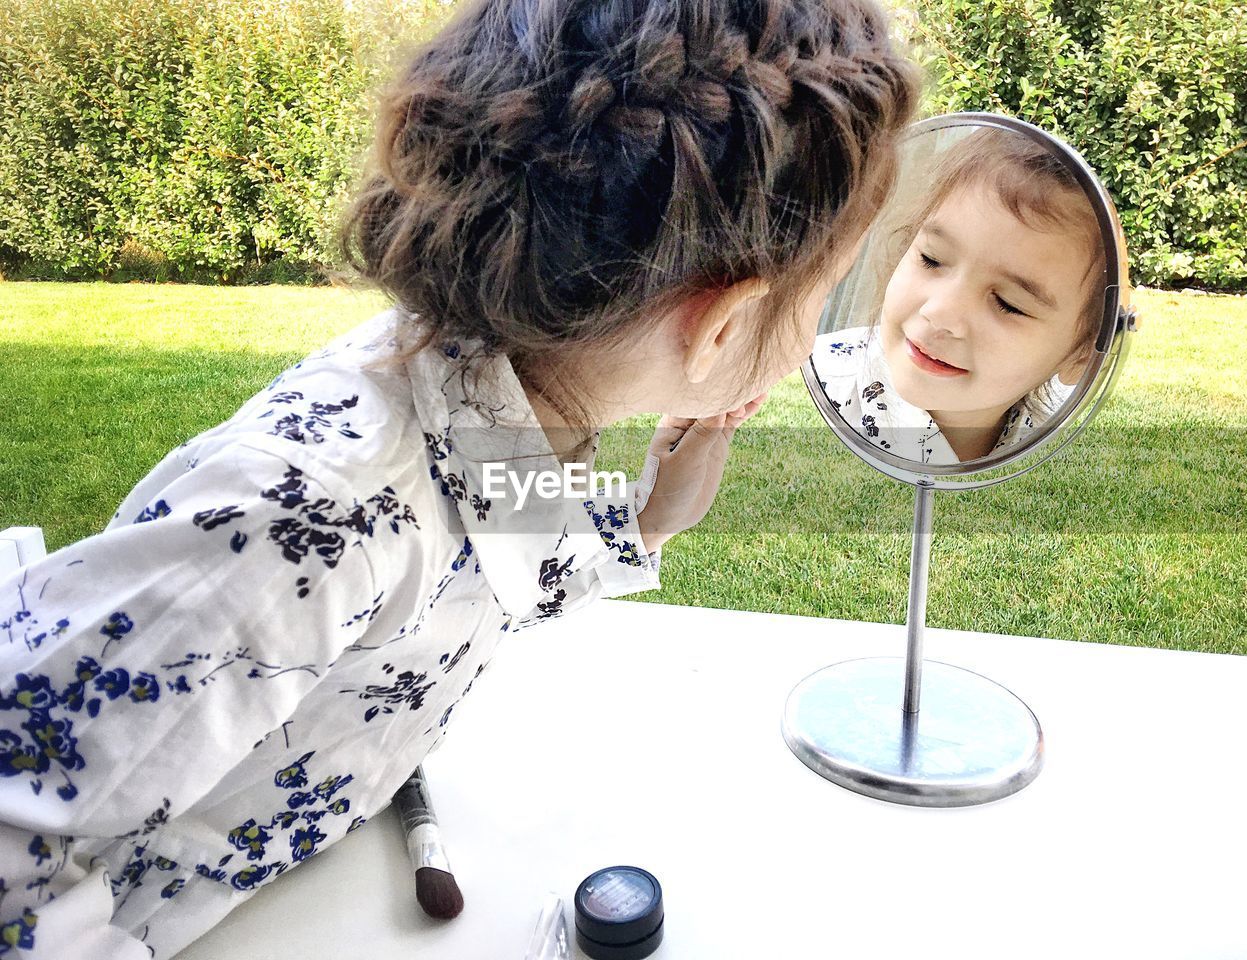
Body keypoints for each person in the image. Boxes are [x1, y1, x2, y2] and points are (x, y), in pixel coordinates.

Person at [0, 0, 918, 956]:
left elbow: (492, 552)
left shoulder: (496, 388)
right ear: (724, 325)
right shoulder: (312, 519)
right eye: (831, 290)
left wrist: (645, 520)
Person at [813, 127, 1105, 464]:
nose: (940, 312)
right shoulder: (815, 381)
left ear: (1082, 355)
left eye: (1008, 305)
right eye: (931, 259)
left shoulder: (1066, 458)